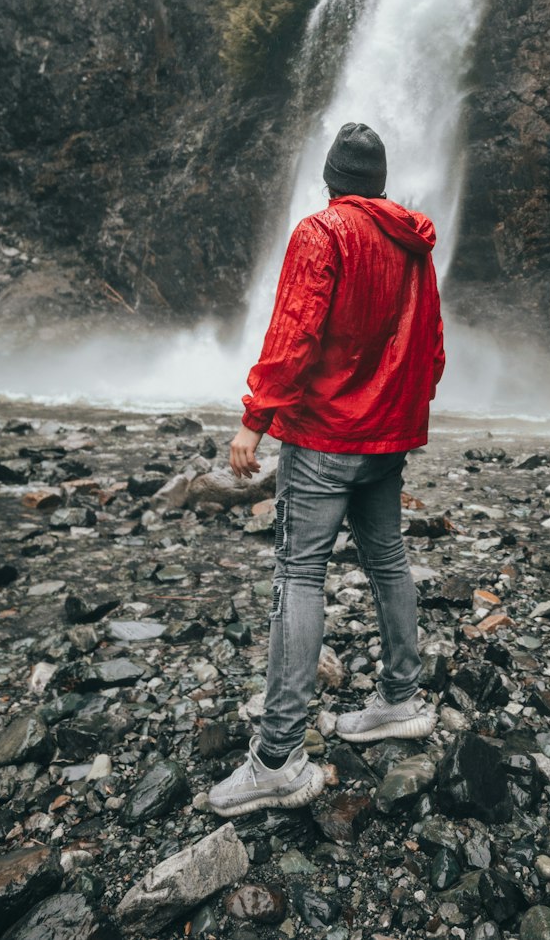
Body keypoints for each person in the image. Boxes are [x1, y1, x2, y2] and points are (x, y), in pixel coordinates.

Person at [208, 121, 445, 818]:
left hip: (324, 439)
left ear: (331, 178)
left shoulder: (321, 232)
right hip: (384, 439)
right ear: (377, 182)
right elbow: (430, 349)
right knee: (389, 560)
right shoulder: (412, 246)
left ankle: (278, 759)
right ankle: (401, 700)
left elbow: (295, 332)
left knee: (299, 574)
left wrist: (255, 419)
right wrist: (400, 413)